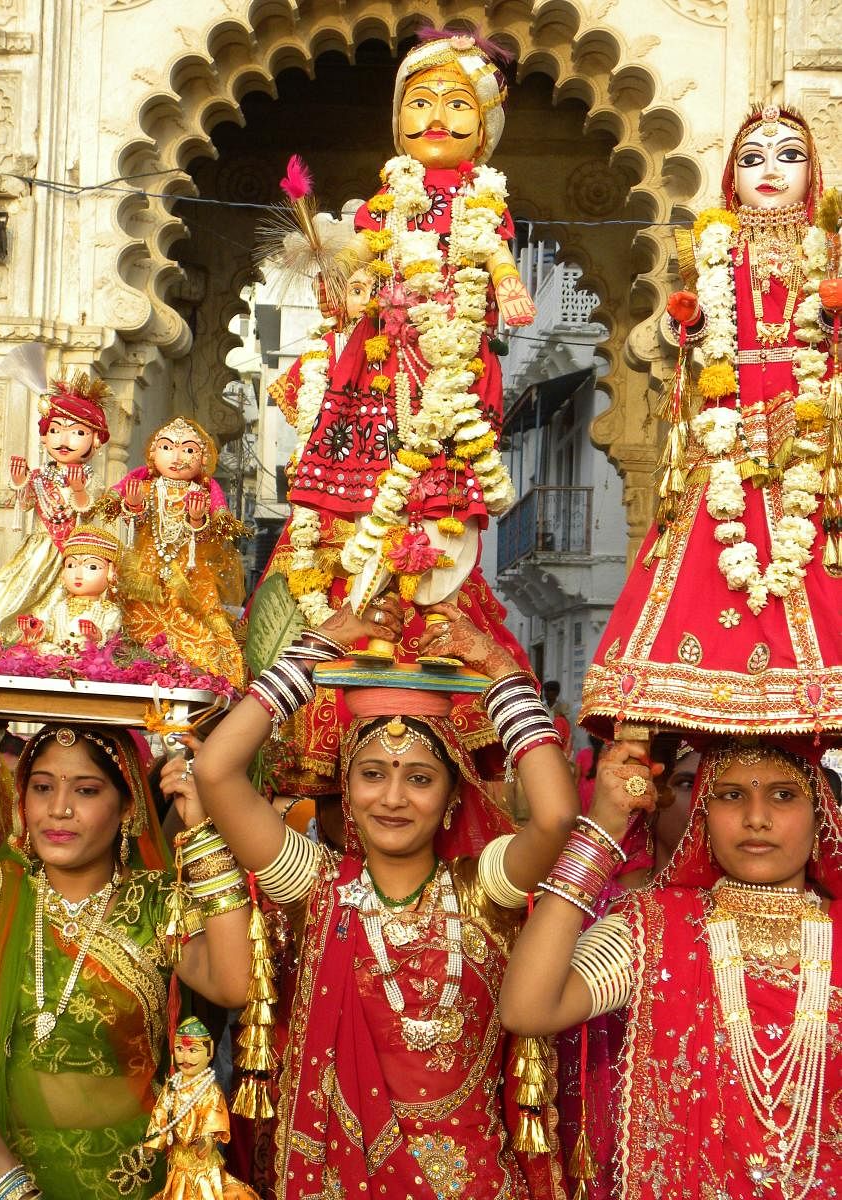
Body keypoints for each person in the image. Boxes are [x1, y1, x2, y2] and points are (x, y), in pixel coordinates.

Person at [193, 596, 578, 1199]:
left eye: (419, 778)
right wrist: (313, 651)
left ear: (453, 795)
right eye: (372, 773)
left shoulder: (484, 889)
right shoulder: (317, 886)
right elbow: (216, 770)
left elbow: (555, 818)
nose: (393, 797)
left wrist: (502, 673)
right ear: (345, 789)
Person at [581, 103, 842, 739]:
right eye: (752, 159)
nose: (771, 169)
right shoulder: (715, 257)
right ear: (731, 180)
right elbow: (645, 348)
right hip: (725, 443)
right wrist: (685, 322)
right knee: (710, 572)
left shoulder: (830, 255)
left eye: (789, 156)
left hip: (813, 448)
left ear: (815, 172)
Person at [500, 736, 842, 1198]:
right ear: (702, 812)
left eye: (783, 795)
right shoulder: (657, 926)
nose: (756, 818)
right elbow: (528, 1008)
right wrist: (600, 831)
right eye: (732, 795)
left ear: (820, 813)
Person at [0, 724, 252, 1199]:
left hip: (127, 1175)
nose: (59, 808)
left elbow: (233, 984)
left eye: (85, 790)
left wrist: (206, 835)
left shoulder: (154, 903)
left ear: (127, 807)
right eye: (43, 787)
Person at [286, 29, 534, 619]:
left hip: (451, 355)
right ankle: (365, 603)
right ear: (399, 120)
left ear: (484, 125)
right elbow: (366, 259)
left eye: (456, 103)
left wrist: (507, 281)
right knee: (373, 484)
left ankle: (431, 600)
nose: (436, 118)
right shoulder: (388, 197)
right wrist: (338, 284)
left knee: (441, 473)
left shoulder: (483, 199)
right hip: (385, 353)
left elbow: (493, 249)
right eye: (420, 102)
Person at [95, 417, 249, 686]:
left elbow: (211, 538)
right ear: (153, 454)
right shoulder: (146, 488)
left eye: (189, 450)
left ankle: (194, 677)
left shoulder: (201, 493)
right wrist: (134, 507)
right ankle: (139, 671)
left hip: (191, 573)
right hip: (146, 574)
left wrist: (197, 520)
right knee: (134, 623)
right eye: (167, 448)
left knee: (199, 625)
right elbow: (138, 525)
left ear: (202, 460)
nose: (177, 457)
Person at [0, 374, 110, 646]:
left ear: (96, 441)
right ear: (44, 438)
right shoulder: (41, 475)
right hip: (38, 550)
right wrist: (21, 482)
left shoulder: (92, 479)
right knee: (18, 596)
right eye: (55, 430)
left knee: (61, 601)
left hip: (72, 554)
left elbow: (89, 510)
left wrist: (79, 490)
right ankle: (0, 645)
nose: (63, 439)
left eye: (77, 432)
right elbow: (27, 503)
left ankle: (56, 648)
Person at [145, 1017, 256, 1200]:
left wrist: (207, 1139)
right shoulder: (172, 1087)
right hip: (180, 1160)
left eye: (193, 1050)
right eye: (180, 1049)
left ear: (209, 1052)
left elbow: (214, 1117)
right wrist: (153, 1142)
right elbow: (161, 1115)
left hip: (203, 1165)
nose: (185, 1057)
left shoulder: (210, 1090)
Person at [17, 525, 122, 654]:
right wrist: (33, 630)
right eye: (71, 565)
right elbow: (49, 634)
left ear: (111, 574)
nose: (78, 574)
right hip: (56, 659)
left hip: (89, 663)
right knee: (42, 649)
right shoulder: (60, 607)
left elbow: (110, 636)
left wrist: (96, 635)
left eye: (92, 567)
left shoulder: (109, 611)